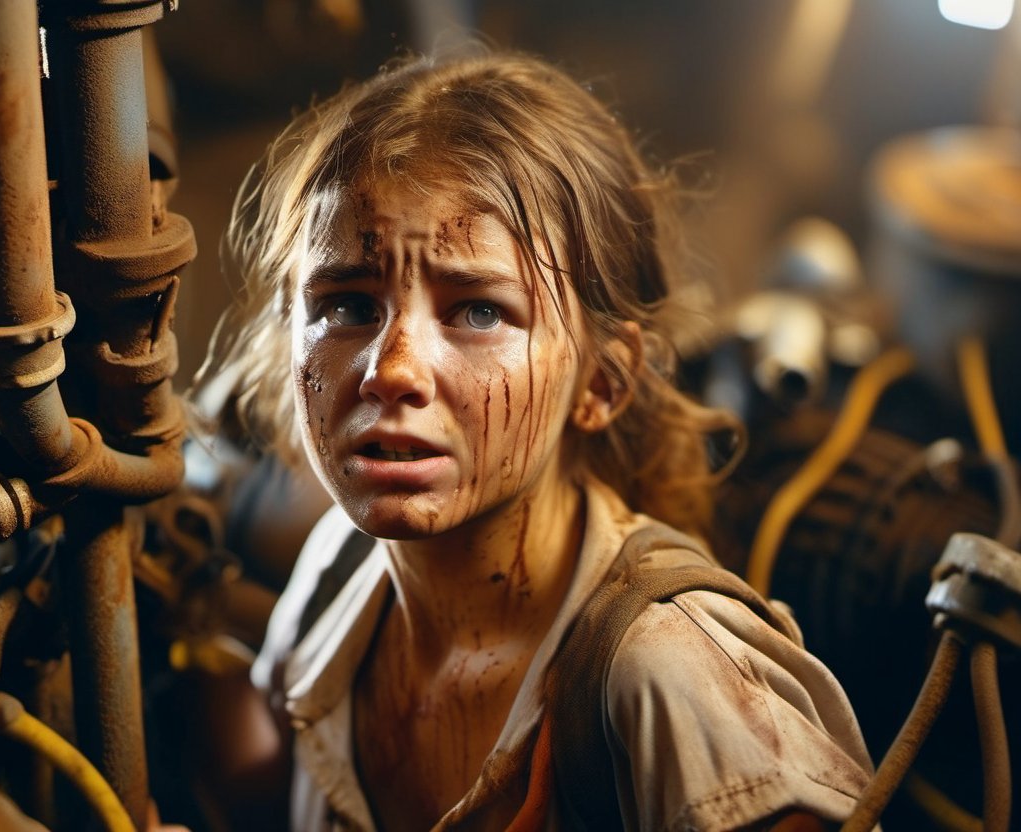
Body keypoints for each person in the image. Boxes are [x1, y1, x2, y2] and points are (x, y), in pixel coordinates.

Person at [201, 49, 874, 831]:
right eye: (347, 304)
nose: (392, 370)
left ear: (602, 383)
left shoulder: (665, 677)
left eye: (479, 311)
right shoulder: (339, 567)